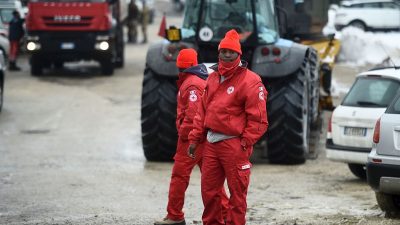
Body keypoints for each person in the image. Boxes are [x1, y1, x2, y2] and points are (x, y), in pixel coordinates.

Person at [187, 29, 269, 225]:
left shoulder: (251, 81)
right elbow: (202, 111)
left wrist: (245, 143)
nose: (226, 54)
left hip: (233, 144)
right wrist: (194, 139)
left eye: (231, 51)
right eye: (223, 51)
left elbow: (258, 118)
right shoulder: (213, 77)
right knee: (209, 192)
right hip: (211, 144)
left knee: (237, 195)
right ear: (219, 52)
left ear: (239, 54)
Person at [154, 49, 229, 225]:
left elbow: (194, 114)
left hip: (192, 140)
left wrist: (186, 136)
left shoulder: (191, 84)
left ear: (180, 65)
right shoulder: (198, 80)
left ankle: (175, 216)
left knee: (179, 177)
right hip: (204, 138)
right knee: (213, 180)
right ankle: (225, 214)